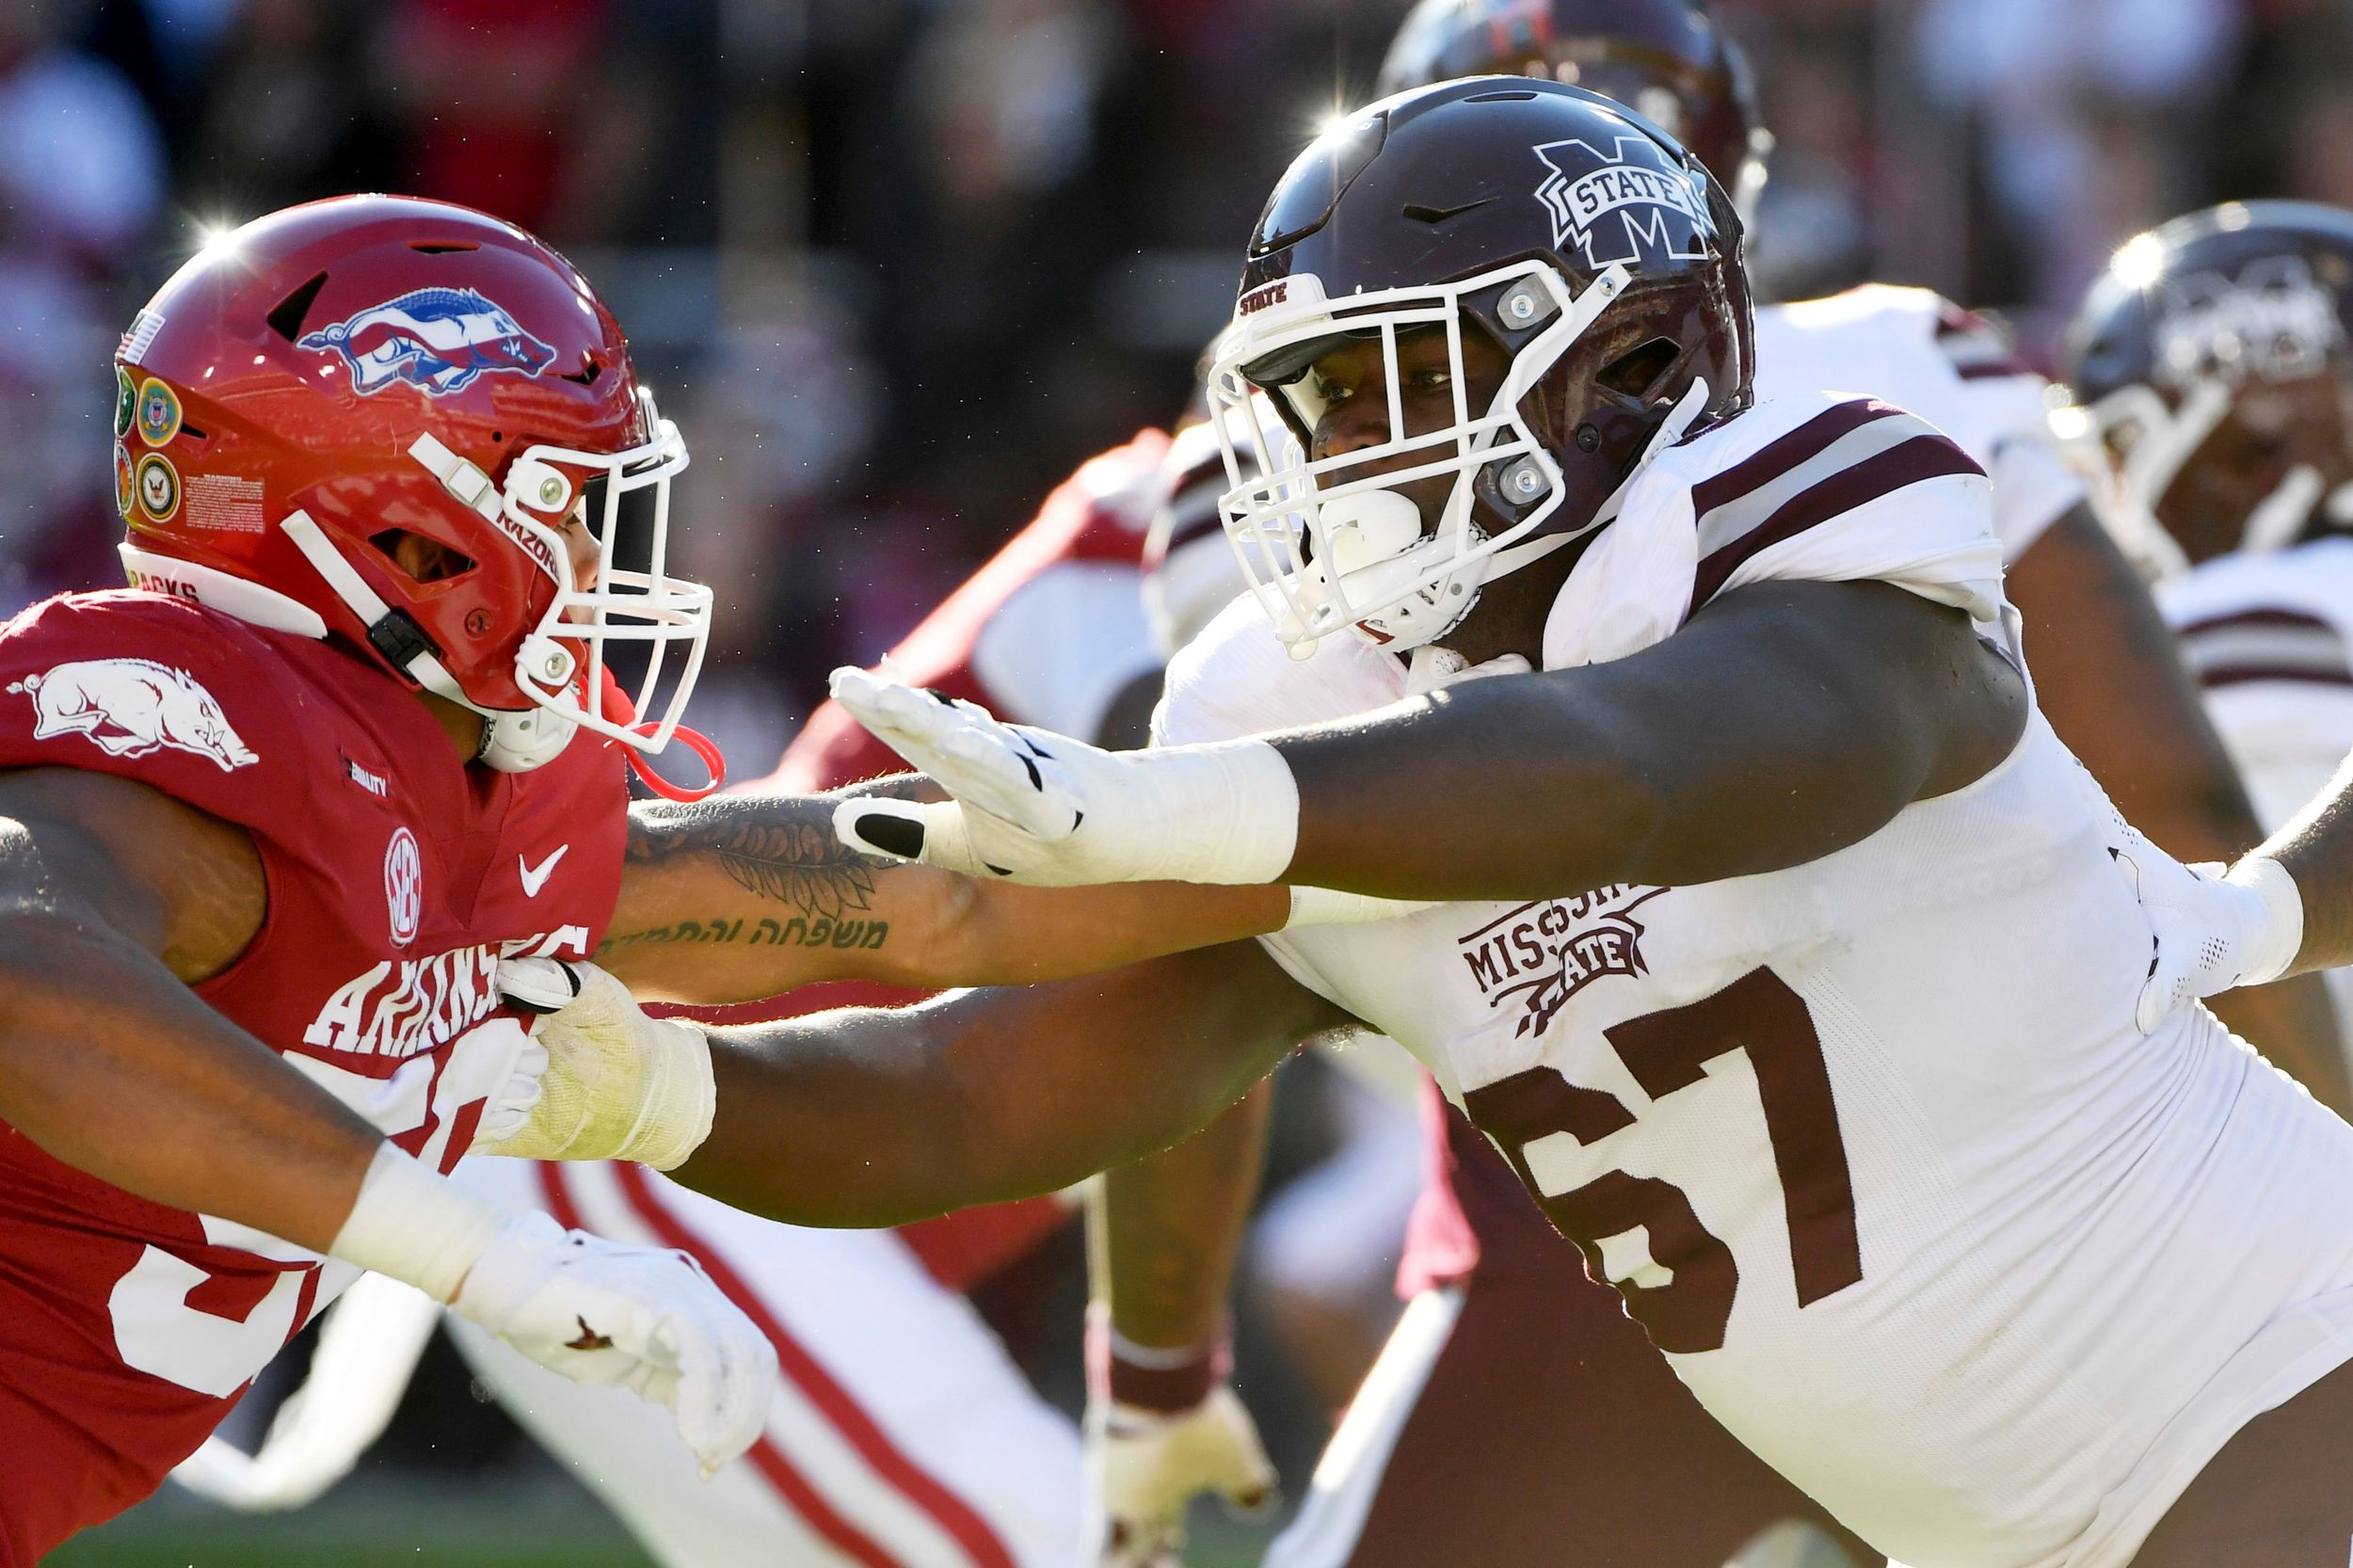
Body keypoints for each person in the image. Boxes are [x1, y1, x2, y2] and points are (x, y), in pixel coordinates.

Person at [639, 79, 2353, 1568]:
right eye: (1316, 404)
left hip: (2290, 1388)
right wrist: (609, 1061)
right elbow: (957, 1098)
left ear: (1622, 358)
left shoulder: (1833, 520)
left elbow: (1630, 768)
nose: (1340, 458)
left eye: (1396, 385)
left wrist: (1191, 809)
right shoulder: (1300, 718)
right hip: (2010, 1519)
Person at [4, 194, 1345, 1564]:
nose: (596, 558)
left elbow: (926, 899)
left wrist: (1329, 854)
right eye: (566, 503)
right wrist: (483, 1255)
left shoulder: (452, 797)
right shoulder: (196, 745)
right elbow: (17, 961)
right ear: (403, 535)